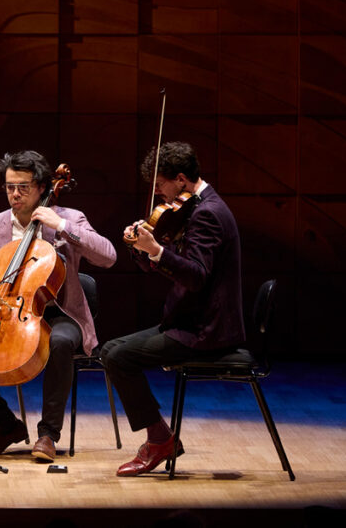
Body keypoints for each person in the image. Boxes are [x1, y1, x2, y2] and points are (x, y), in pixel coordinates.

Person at [0, 150, 117, 461]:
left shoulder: (69, 218)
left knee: (59, 342)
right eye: (9, 187)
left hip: (61, 313)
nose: (14, 194)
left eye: (23, 187)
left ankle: (48, 434)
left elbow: (108, 256)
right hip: (8, 312)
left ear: (42, 187)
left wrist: (62, 226)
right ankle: (6, 426)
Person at [101, 141, 245, 476]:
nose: (157, 193)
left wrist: (157, 251)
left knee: (119, 357)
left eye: (160, 184)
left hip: (206, 331)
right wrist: (143, 248)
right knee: (109, 351)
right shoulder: (196, 207)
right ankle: (160, 436)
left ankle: (159, 440)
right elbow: (174, 263)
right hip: (190, 321)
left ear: (181, 179)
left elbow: (196, 276)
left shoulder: (208, 213)